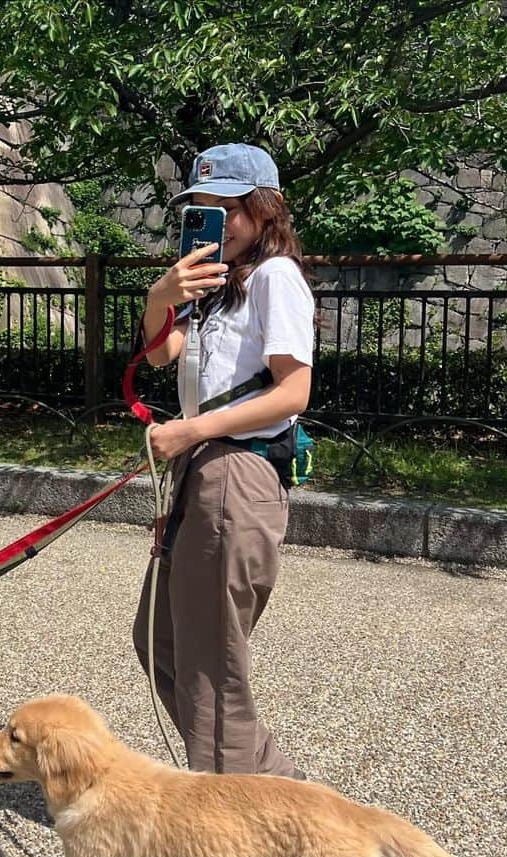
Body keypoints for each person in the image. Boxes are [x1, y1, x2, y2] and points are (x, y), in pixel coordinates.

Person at [132, 143, 313, 779]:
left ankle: (235, 821)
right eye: (200, 208)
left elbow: (293, 392)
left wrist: (191, 431)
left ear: (263, 211)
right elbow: (159, 355)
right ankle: (272, 795)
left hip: (236, 472)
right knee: (165, 644)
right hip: (202, 474)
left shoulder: (274, 279)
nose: (214, 222)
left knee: (209, 668)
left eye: (226, 209)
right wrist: (162, 295)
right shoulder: (212, 285)